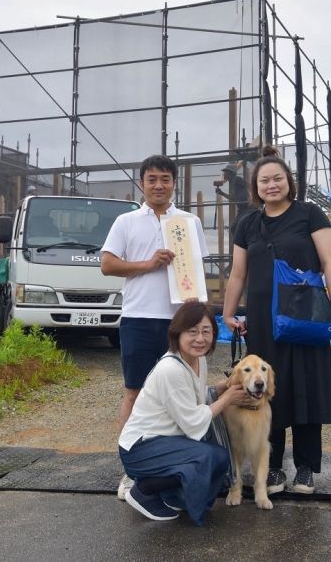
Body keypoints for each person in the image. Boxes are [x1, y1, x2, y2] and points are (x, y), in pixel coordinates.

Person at [221, 145, 331, 495]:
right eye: (265, 181)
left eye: (278, 178)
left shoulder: (310, 215)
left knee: (308, 385)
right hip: (262, 317)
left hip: (305, 314)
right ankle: (272, 466)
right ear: (256, 187)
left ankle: (306, 468)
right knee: (265, 389)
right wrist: (228, 313)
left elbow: (330, 264)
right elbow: (237, 275)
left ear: (289, 182)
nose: (272, 185)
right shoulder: (248, 222)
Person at [101, 154, 210, 500]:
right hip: (138, 318)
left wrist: (199, 310)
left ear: (174, 183)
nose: (159, 185)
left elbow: (196, 269)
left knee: (187, 393)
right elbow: (107, 265)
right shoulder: (126, 221)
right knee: (134, 391)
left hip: (181, 322)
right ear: (142, 183)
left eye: (165, 178)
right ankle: (131, 470)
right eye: (152, 179)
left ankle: (182, 464)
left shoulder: (189, 222)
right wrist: (149, 264)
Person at [118, 300, 248, 525]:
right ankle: (143, 490)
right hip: (141, 448)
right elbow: (193, 422)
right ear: (177, 334)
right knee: (206, 457)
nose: (200, 339)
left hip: (164, 443)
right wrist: (227, 399)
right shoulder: (170, 369)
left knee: (216, 457)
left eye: (206, 331)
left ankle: (171, 496)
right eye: (193, 332)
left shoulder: (198, 360)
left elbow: (198, 397)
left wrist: (224, 386)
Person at [213, 163, 250, 251]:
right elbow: (233, 198)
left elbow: (235, 197)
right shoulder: (234, 181)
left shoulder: (236, 181)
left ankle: (241, 248)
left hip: (247, 208)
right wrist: (221, 193)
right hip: (243, 208)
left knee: (235, 228)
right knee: (235, 228)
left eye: (225, 172)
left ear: (230, 173)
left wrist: (222, 192)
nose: (224, 174)